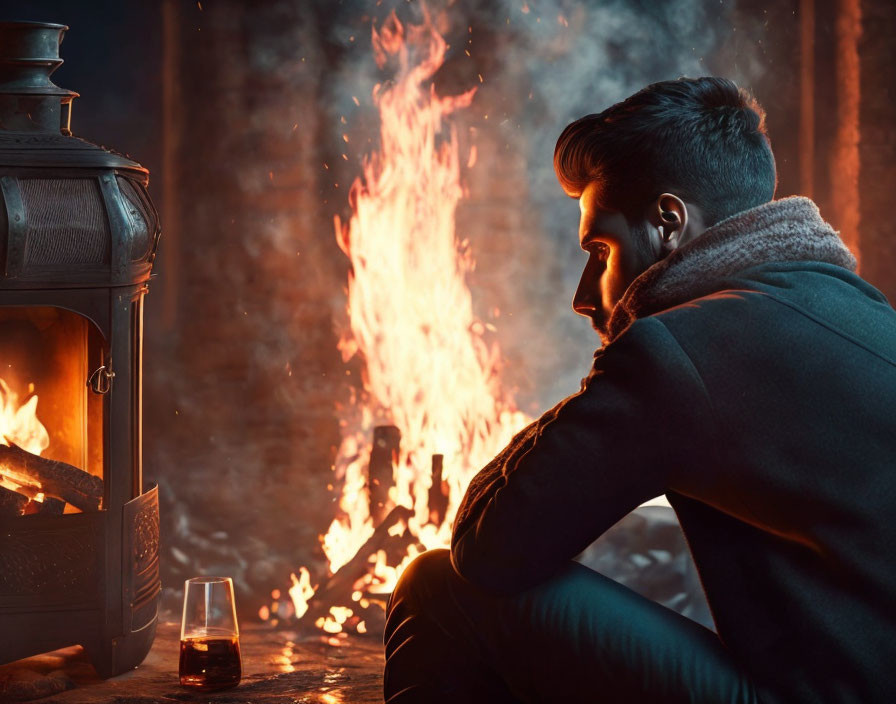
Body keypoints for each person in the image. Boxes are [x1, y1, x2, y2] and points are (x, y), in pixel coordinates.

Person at [382, 76, 896, 703]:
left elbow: (487, 551)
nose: (583, 296)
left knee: (438, 584)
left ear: (667, 223)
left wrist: (620, 358)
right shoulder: (864, 311)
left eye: (599, 249)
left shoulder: (684, 347)